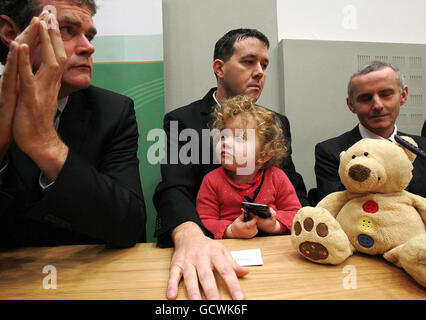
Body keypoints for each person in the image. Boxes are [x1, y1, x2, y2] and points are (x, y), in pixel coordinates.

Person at [0, 0, 146, 256]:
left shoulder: (112, 111)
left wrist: (49, 147)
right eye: (66, 30)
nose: (88, 47)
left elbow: (130, 228)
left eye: (89, 36)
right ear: (11, 32)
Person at [153, 28, 308, 300]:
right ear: (219, 69)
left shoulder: (276, 122)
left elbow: (294, 192)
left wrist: (288, 224)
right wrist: (193, 236)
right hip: (209, 253)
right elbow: (174, 189)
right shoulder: (182, 121)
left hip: (275, 256)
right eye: (249, 62)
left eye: (264, 64)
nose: (260, 71)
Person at [313, 61, 426, 205]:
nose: (378, 106)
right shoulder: (331, 152)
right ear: (351, 105)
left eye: (386, 95)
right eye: (366, 99)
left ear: (403, 95)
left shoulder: (421, 149)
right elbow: (335, 209)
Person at [197, 95, 301, 239]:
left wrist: (274, 225)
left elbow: (296, 214)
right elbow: (204, 222)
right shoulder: (212, 181)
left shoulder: (277, 177)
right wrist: (231, 230)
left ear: (265, 154)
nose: (226, 142)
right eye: (224, 135)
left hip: (272, 252)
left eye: (239, 138)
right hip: (229, 252)